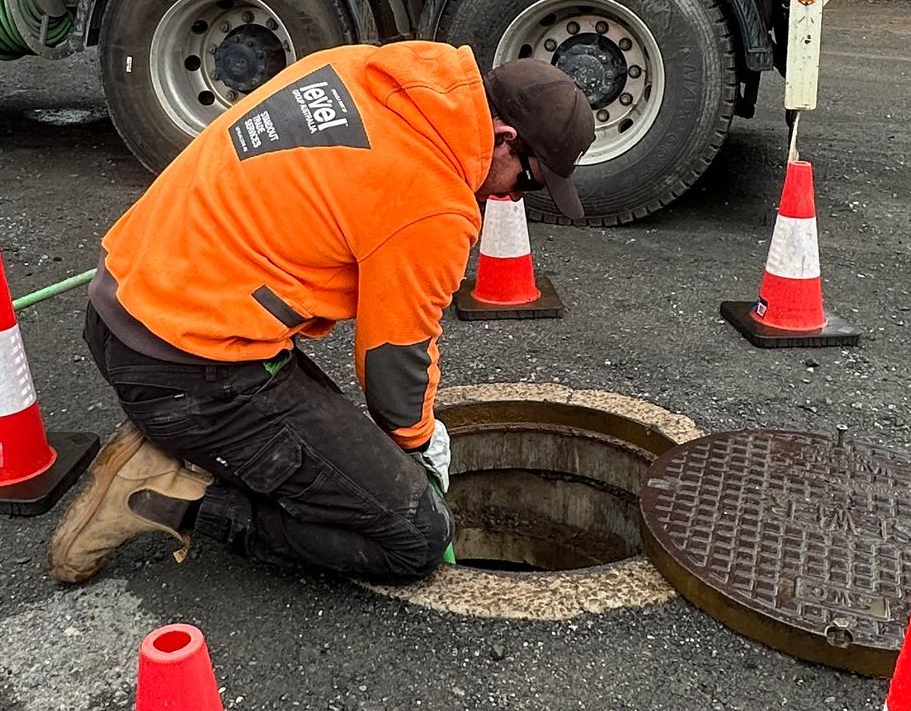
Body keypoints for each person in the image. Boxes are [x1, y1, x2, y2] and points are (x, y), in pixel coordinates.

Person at [48, 42, 595, 587]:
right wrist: (418, 445)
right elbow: (393, 361)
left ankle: (188, 447)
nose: (517, 199)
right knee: (412, 538)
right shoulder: (431, 199)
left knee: (346, 463)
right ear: (504, 140)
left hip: (125, 307)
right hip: (190, 370)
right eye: (527, 181)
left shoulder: (366, 69)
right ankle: (170, 497)